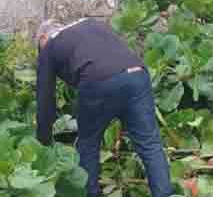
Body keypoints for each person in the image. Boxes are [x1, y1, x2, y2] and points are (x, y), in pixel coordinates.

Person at [34, 18, 174, 197]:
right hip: (137, 73)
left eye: (39, 47)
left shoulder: (49, 46)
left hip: (98, 80)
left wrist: (43, 143)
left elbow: (45, 101)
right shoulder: (91, 24)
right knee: (150, 144)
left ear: (44, 36)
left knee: (88, 144)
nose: (41, 52)